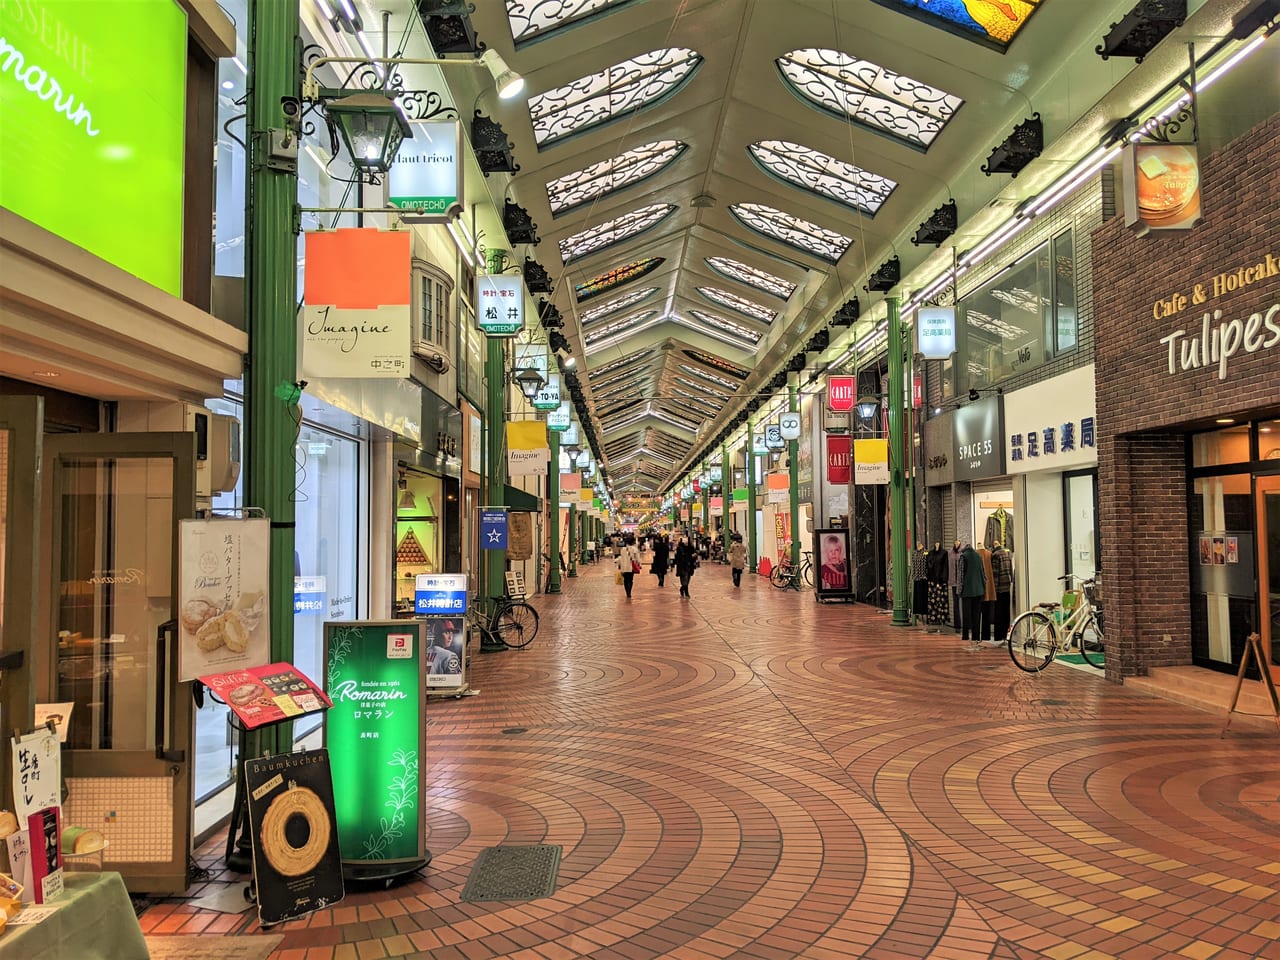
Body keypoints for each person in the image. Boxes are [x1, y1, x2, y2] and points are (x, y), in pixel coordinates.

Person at [959, 543, 986, 645]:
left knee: (966, 613)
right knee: (977, 614)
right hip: (979, 590)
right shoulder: (978, 556)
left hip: (967, 589)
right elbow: (983, 572)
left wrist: (959, 590)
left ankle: (965, 636)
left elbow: (960, 575)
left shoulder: (963, 556)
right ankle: (976, 636)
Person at [990, 543, 1014, 644]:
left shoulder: (995, 555)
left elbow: (995, 574)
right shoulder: (1006, 554)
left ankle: (999, 635)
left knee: (998, 612)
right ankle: (1006, 634)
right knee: (1006, 612)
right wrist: (1010, 581)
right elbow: (1010, 571)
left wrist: (993, 589)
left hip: (999, 588)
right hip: (1007, 586)